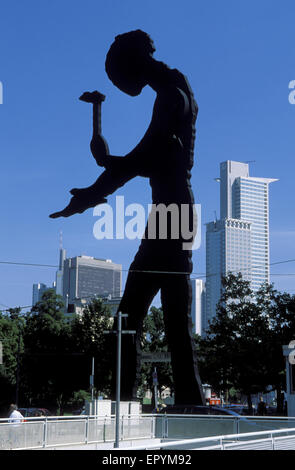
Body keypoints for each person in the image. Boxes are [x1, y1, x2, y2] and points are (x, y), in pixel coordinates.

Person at [50, 30, 205, 405]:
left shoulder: (171, 96)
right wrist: (108, 168)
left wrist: (92, 191)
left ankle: (134, 403)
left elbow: (144, 159)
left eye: (120, 79)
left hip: (171, 214)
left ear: (132, 64)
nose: (122, 88)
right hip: (172, 211)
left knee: (135, 320)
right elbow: (150, 159)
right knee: (161, 319)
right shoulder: (175, 86)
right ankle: (183, 400)